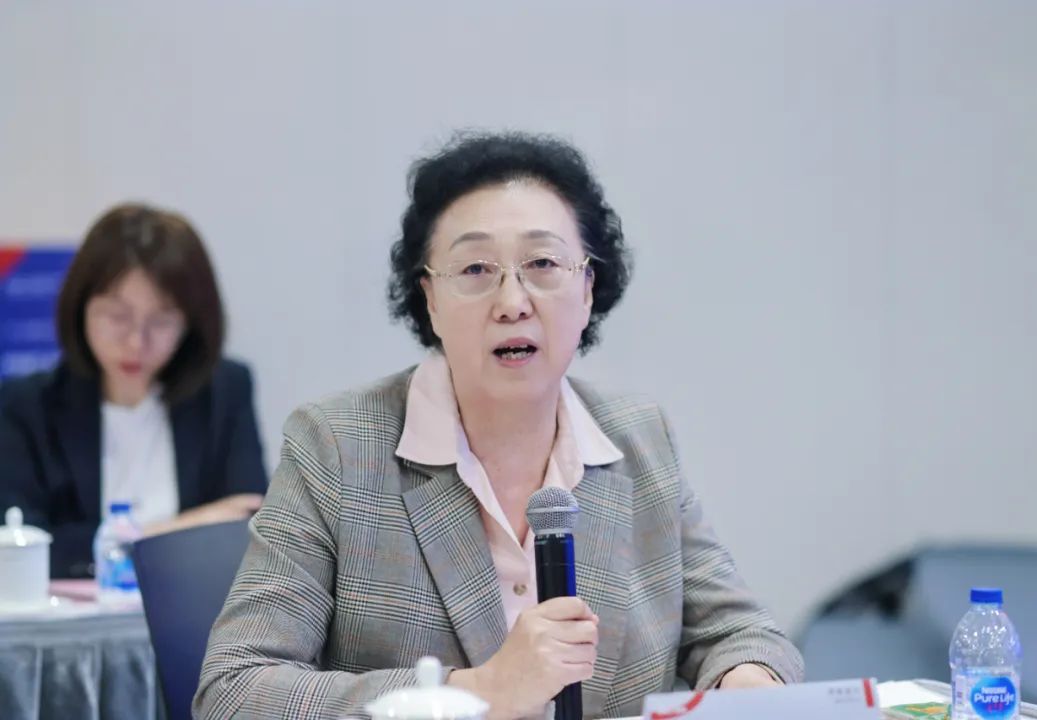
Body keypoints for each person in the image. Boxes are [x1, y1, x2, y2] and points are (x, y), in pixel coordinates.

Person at [195, 132, 803, 720]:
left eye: (543, 263)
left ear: (588, 289)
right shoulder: (336, 446)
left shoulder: (639, 437)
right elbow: (233, 691)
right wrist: (477, 695)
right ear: (430, 299)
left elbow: (739, 632)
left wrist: (746, 682)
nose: (512, 302)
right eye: (476, 269)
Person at [0, 203, 268, 579]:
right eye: (117, 316)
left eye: (161, 320)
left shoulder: (225, 391)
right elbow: (22, 547)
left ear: (191, 322)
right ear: (80, 308)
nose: (135, 342)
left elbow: (247, 527)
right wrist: (179, 528)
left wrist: (111, 541)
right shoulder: (25, 406)